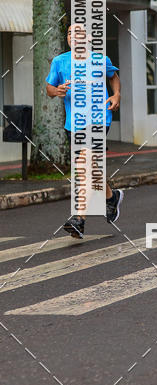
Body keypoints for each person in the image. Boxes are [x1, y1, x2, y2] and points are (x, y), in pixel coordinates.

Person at [46, 24, 123, 239]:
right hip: (75, 123)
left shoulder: (100, 60)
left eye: (78, 32)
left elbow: (113, 76)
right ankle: (111, 197)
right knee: (90, 167)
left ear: (88, 38)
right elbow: (49, 88)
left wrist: (116, 95)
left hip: (99, 119)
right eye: (70, 33)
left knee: (83, 166)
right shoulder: (60, 61)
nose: (73, 36)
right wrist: (57, 91)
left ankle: (79, 219)